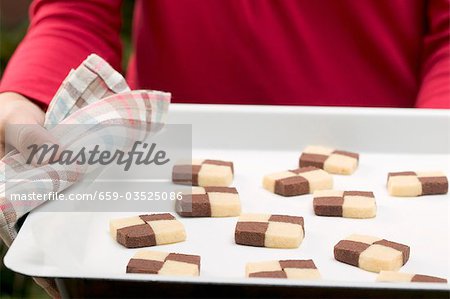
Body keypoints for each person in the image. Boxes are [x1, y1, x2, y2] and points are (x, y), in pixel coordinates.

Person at [1, 0, 449, 159]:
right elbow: (77, 13)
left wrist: (430, 156)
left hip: (375, 179)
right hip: (165, 168)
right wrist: (27, 97)